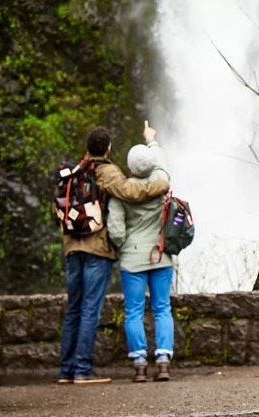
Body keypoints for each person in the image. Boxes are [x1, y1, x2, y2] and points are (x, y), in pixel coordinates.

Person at [58, 126, 170, 384]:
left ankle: (66, 370)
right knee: (89, 309)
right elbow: (130, 193)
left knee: (74, 309)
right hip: (96, 249)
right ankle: (83, 370)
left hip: (73, 247)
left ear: (88, 147)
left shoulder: (75, 171)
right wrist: (161, 185)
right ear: (108, 148)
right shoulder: (106, 171)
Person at [108, 121, 176, 382]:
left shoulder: (120, 193)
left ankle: (139, 364)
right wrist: (151, 140)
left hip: (133, 259)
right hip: (161, 255)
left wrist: (125, 247)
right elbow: (161, 165)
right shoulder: (161, 183)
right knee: (162, 308)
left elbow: (116, 231)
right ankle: (163, 362)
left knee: (134, 310)